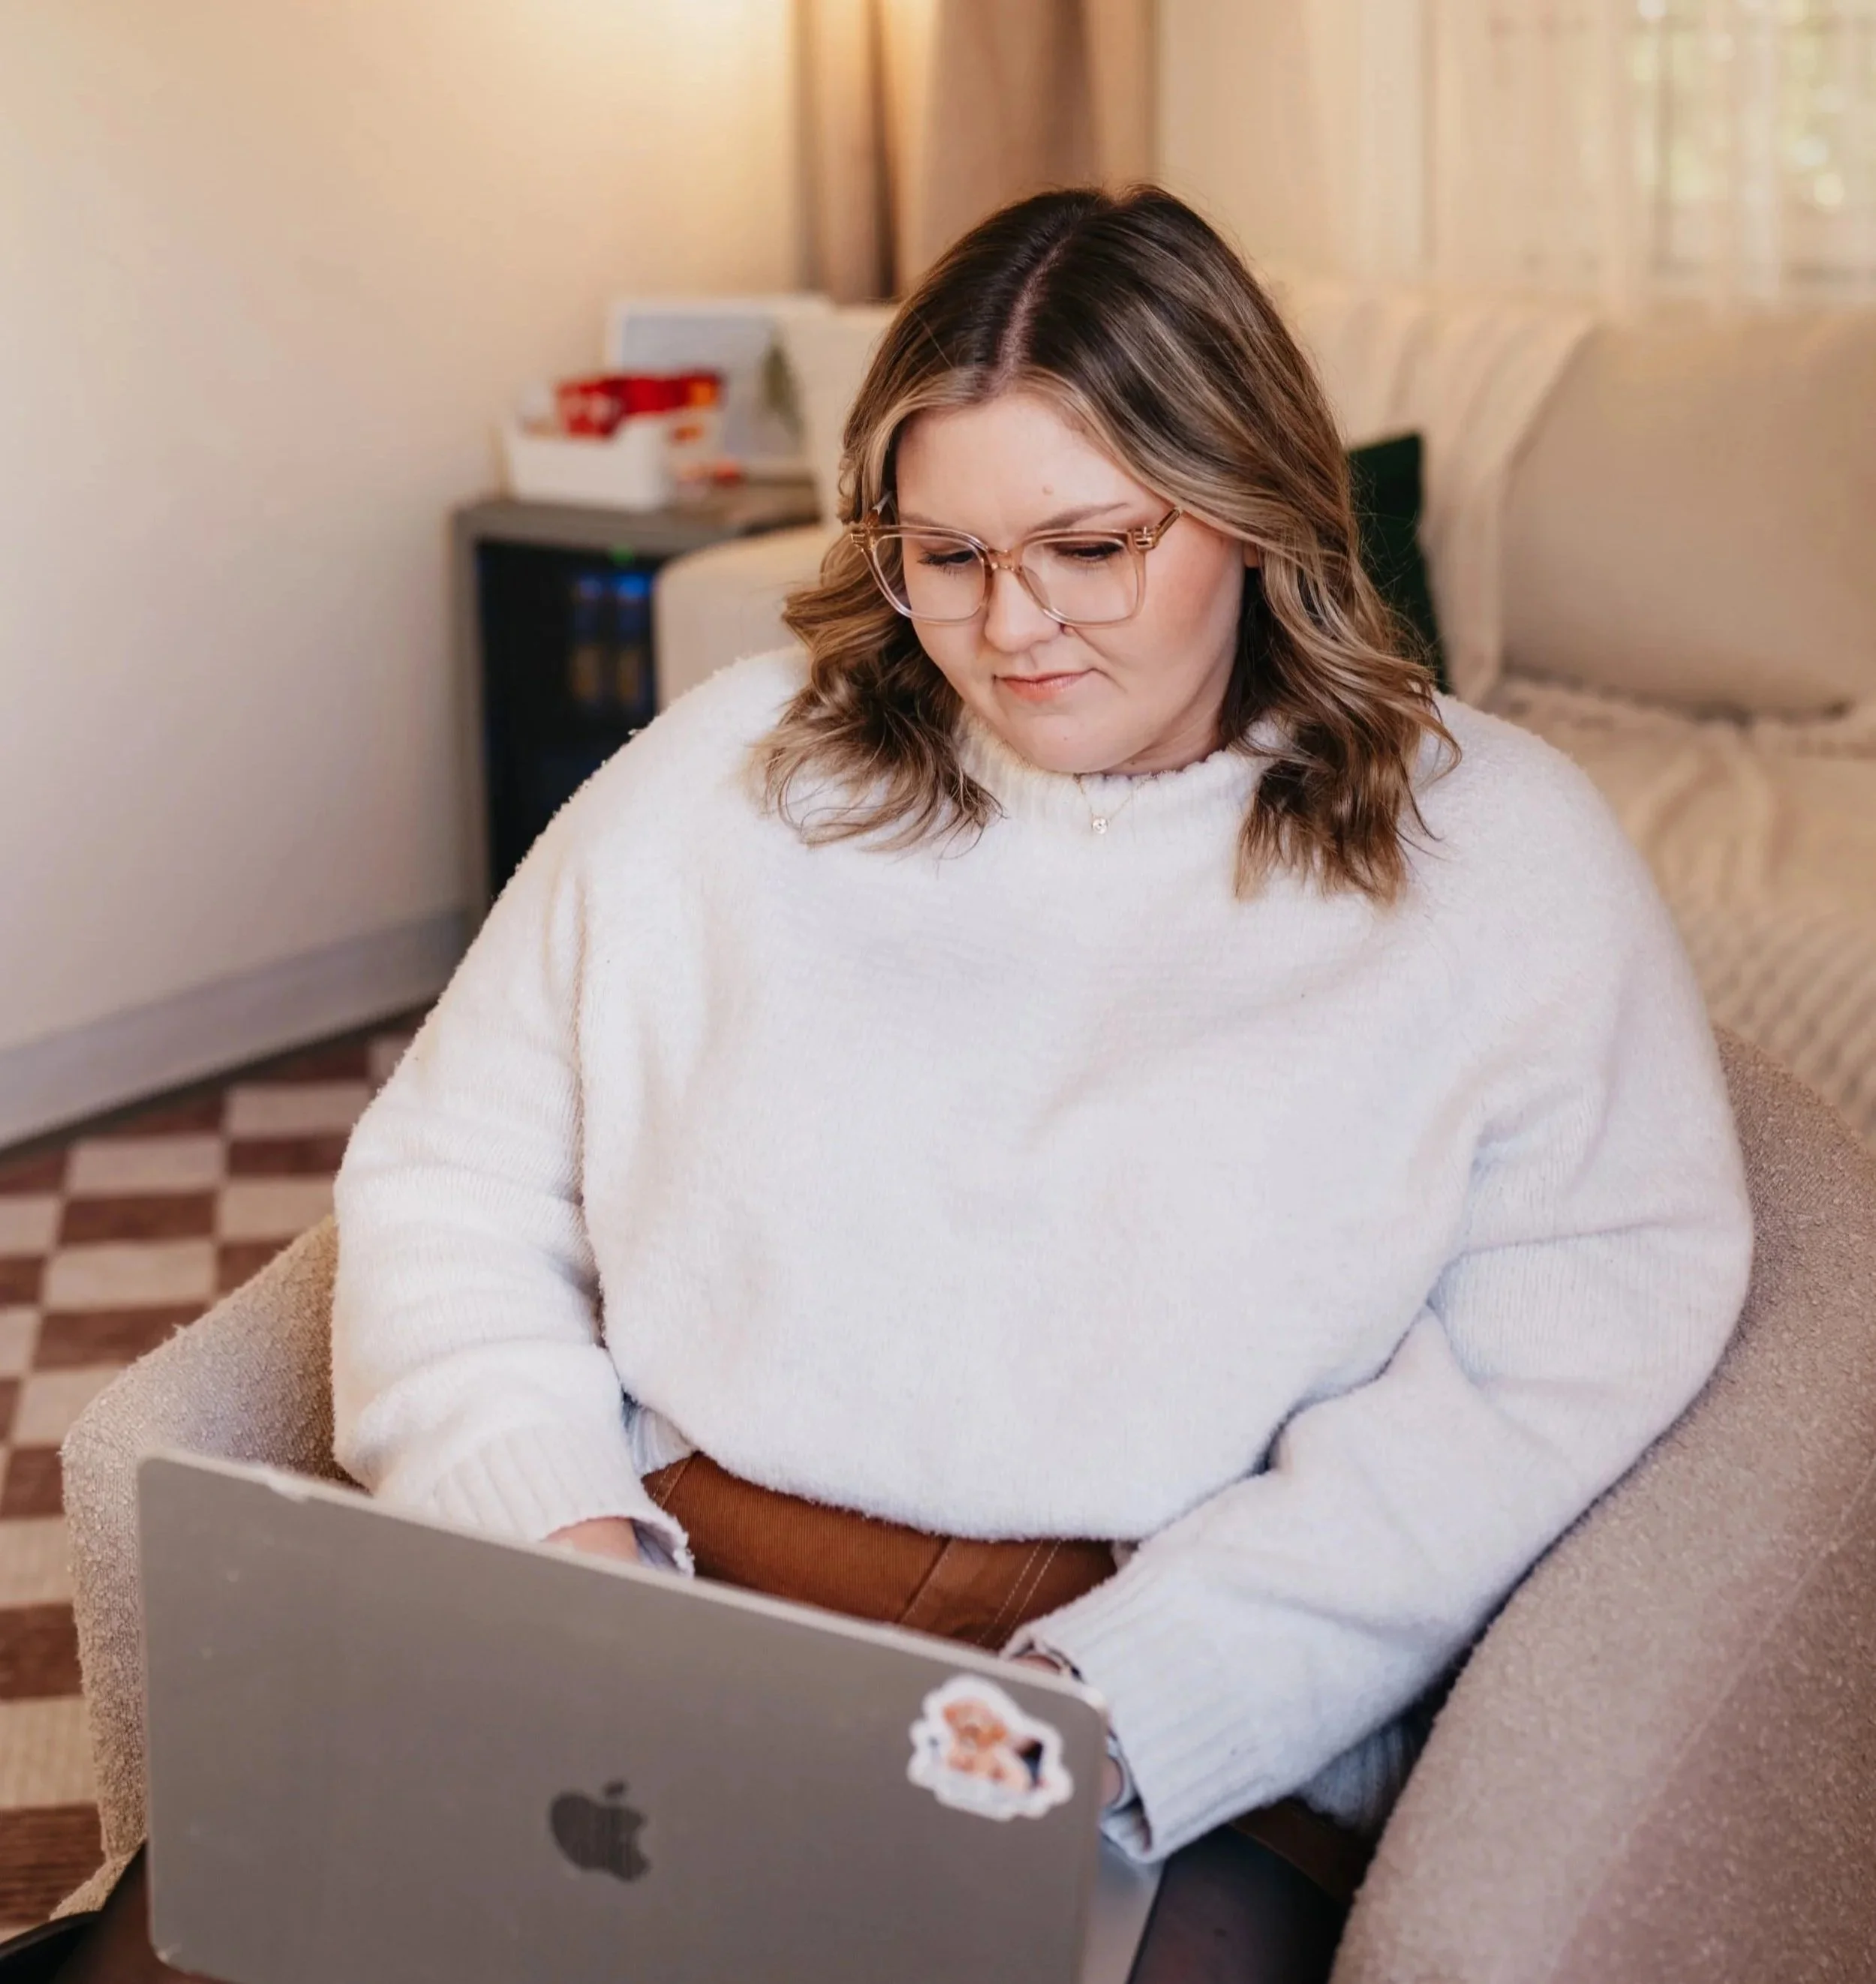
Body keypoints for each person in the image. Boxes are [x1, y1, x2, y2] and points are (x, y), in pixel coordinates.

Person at [329, 185, 1751, 1963]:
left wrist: (1134, 1688)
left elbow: (1569, 1336)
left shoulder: (1494, 852)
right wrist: (562, 1546)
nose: (1014, 629)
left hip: (1153, 1650)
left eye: (1089, 547)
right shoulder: (726, 776)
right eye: (945, 554)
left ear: (1248, 504)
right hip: (686, 1588)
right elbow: (452, 1178)